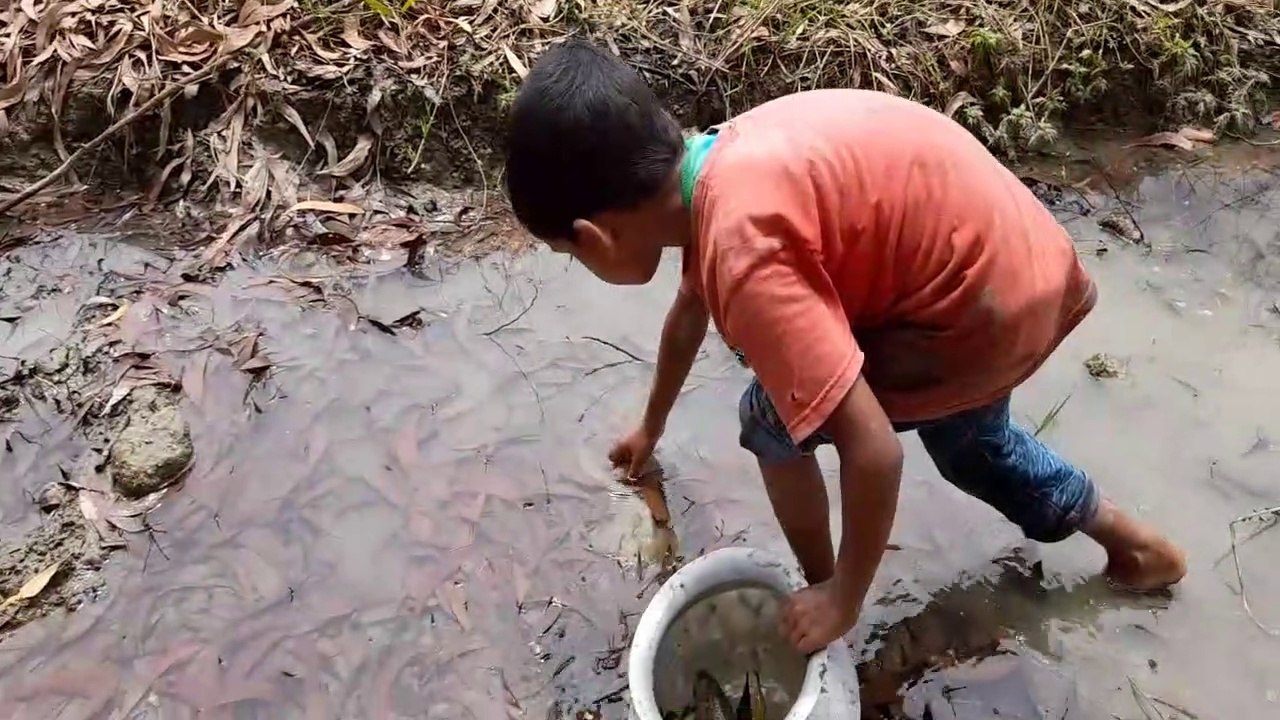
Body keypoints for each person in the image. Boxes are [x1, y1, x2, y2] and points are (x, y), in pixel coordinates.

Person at [502, 38, 1187, 655]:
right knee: (972, 445)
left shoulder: (743, 256)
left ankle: (822, 582)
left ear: (595, 237)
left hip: (977, 306)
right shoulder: (713, 168)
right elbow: (689, 309)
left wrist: (842, 601)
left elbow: (876, 452)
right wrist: (651, 426)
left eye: (569, 254)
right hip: (1007, 254)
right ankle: (1134, 548)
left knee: (771, 424)